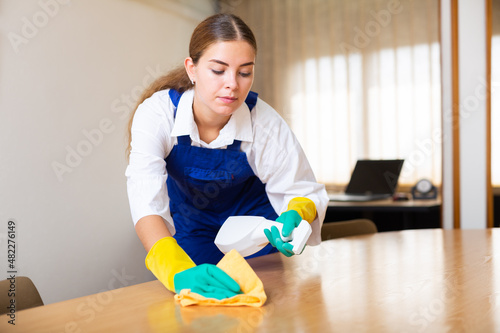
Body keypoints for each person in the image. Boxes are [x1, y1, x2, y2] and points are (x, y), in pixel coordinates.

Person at [125, 13, 328, 300]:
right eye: (218, 70)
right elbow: (146, 204)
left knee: (267, 309)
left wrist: (296, 215)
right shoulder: (157, 115)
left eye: (244, 72)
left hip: (258, 238)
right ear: (192, 69)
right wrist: (175, 269)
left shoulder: (265, 123)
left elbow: (301, 189)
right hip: (191, 234)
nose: (232, 84)